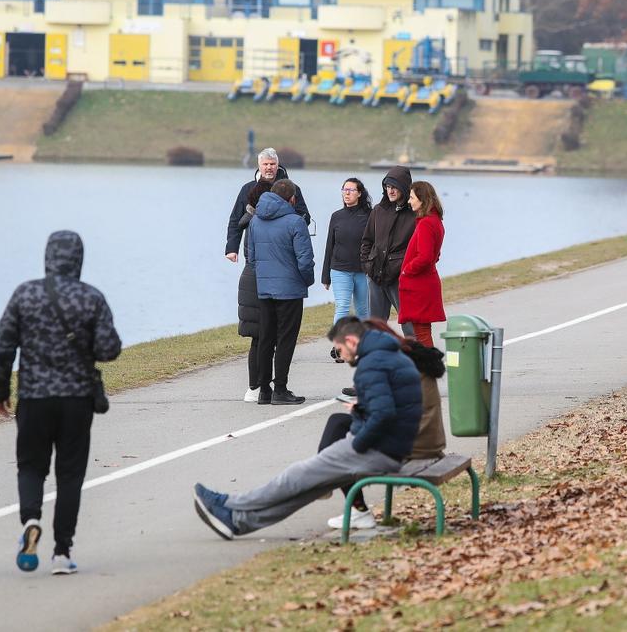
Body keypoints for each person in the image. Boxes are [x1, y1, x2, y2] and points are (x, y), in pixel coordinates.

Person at [191, 316, 422, 539]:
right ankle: (238, 522)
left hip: (377, 449)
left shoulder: (372, 363)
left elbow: (383, 414)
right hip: (392, 447)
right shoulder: (388, 355)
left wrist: (356, 445)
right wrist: (361, 412)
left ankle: (228, 503)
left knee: (293, 477)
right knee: (306, 489)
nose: (340, 355)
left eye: (339, 349)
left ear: (351, 341)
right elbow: (388, 408)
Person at [0, 230, 122, 575]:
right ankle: (62, 551)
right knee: (70, 474)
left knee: (31, 466)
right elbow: (110, 349)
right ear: (79, 259)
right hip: (76, 400)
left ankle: (31, 519)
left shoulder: (26, 294)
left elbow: (2, 346)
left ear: (47, 257)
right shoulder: (91, 298)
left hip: (34, 398)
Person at [318, 318, 447, 530]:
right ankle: (334, 485)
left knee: (341, 443)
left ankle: (343, 495)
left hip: (415, 442)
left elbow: (388, 415)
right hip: (427, 437)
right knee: (339, 424)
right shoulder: (410, 355)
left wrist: (362, 411)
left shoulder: (398, 362)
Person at [246, 178, 314, 405]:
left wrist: (265, 277)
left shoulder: (255, 221)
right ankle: (280, 389)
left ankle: (263, 390)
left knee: (266, 338)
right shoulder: (296, 222)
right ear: (292, 198)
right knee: (285, 339)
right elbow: (305, 260)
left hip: (265, 288)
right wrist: (307, 281)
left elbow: (252, 257)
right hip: (290, 289)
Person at [225, 148, 310, 265]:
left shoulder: (292, 189)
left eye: (272, 164)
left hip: (283, 250)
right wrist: (231, 248)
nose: (269, 167)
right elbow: (235, 219)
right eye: (265, 164)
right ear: (259, 166)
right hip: (254, 250)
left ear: (277, 165)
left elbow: (305, 218)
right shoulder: (248, 189)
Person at [361, 166, 416, 337]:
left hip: (400, 277)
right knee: (375, 325)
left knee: (409, 324)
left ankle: (416, 357)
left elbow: (417, 247)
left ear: (404, 188)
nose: (390, 191)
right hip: (376, 275)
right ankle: (377, 357)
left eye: (394, 187)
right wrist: (367, 265)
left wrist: (404, 269)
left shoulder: (414, 213)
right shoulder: (379, 210)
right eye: (387, 186)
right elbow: (367, 240)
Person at [235, 180, 273, 403]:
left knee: (258, 339)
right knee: (262, 338)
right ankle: (258, 385)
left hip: (249, 281)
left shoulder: (251, 222)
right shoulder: (258, 224)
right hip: (259, 282)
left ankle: (255, 385)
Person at [399, 182, 447, 347]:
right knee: (422, 331)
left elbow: (426, 257)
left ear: (422, 199)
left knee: (421, 333)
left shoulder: (426, 223)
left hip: (420, 285)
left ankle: (428, 370)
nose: (409, 201)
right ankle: (425, 369)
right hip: (426, 282)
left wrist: (406, 270)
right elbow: (436, 255)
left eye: (412, 197)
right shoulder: (435, 221)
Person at [323, 178, 373, 323]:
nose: (347, 193)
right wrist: (325, 276)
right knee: (342, 308)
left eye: (351, 190)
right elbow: (329, 245)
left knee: (363, 310)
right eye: (345, 190)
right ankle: (339, 344)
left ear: (359, 193)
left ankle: (362, 343)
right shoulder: (336, 216)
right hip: (340, 270)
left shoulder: (370, 215)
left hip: (362, 271)